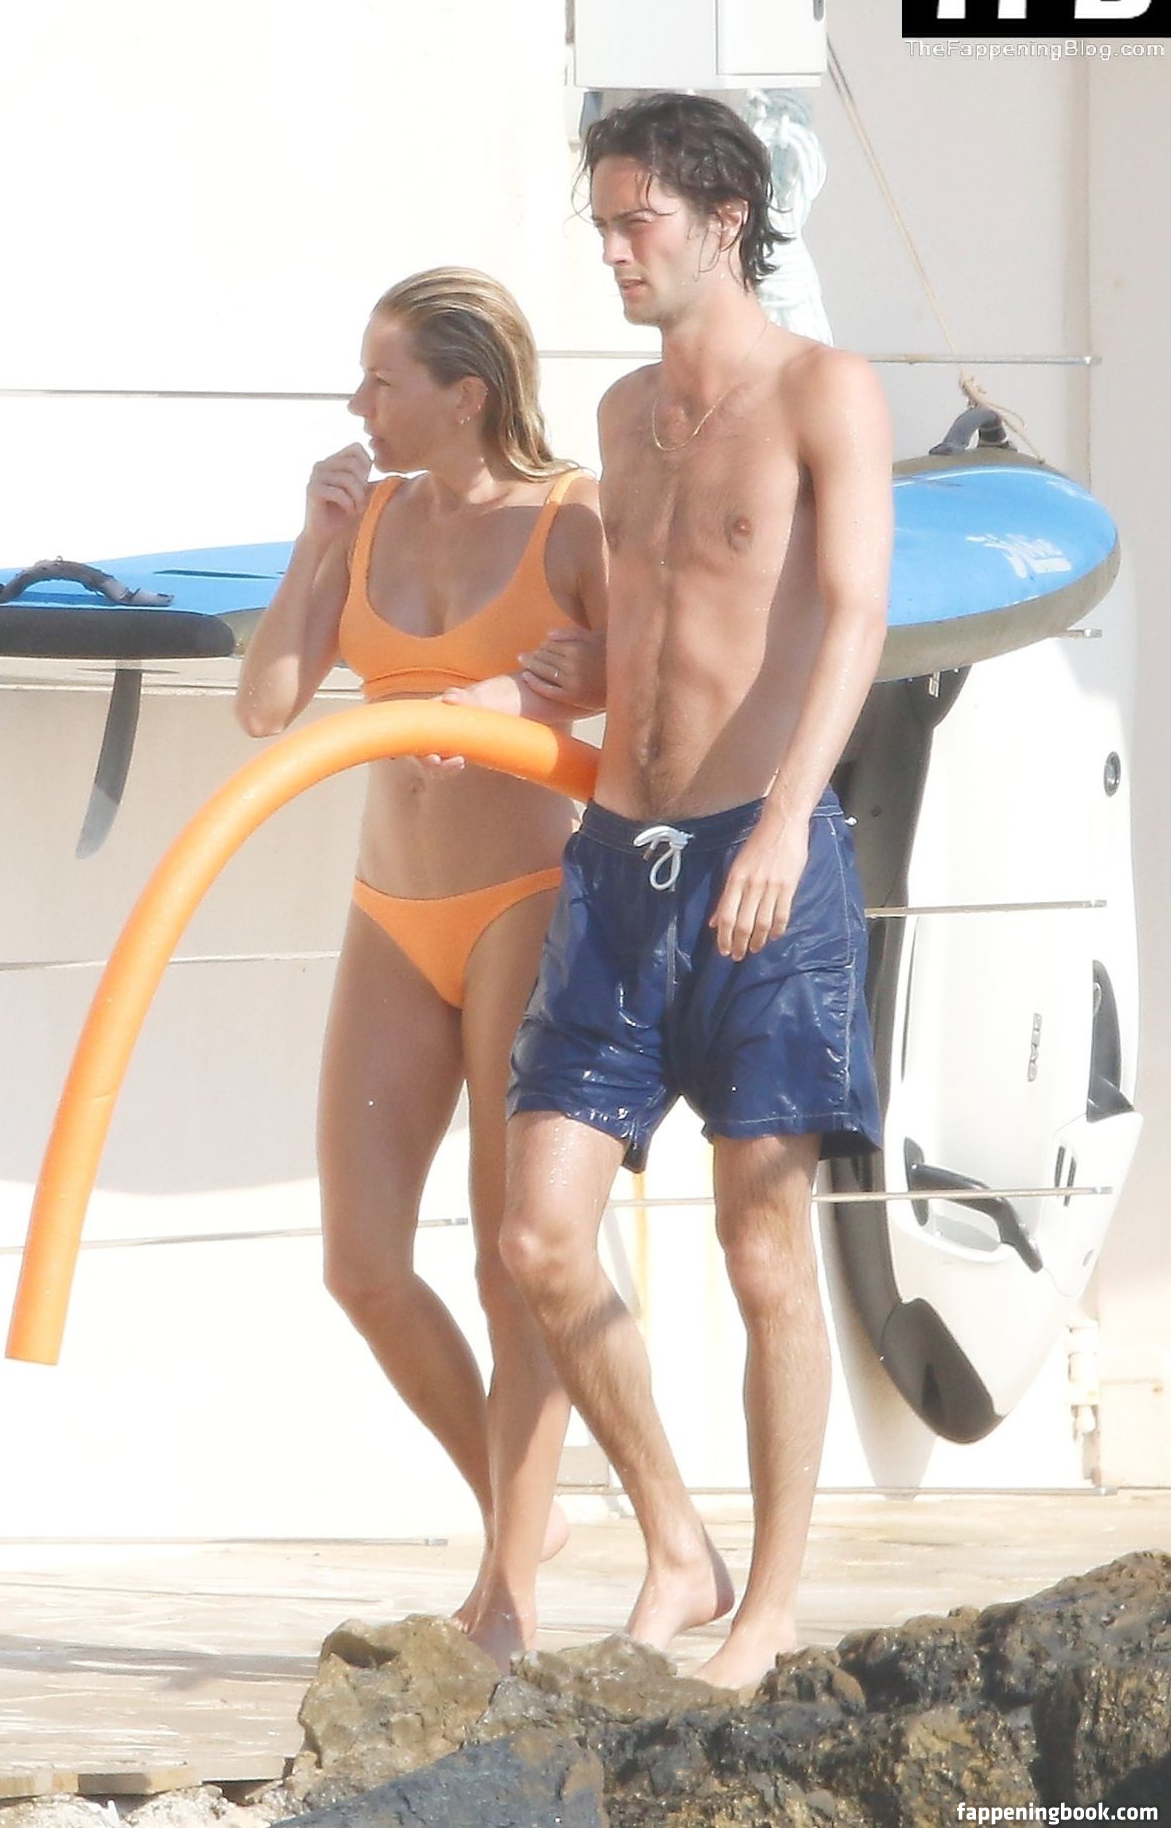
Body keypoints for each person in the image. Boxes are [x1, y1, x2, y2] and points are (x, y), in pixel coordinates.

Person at [500, 92, 892, 1690]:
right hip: (617, 864)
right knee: (539, 1234)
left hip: (764, 857)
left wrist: (791, 822)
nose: (612, 251)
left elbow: (854, 614)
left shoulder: (822, 389)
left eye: (636, 221)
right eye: (602, 224)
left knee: (760, 1247)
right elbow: (663, 618)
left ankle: (772, 1605)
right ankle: (678, 1542)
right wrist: (585, 667)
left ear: (725, 219)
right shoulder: (615, 416)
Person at [234, 268, 607, 1667]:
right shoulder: (374, 512)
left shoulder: (572, 517)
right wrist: (315, 544)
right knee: (363, 1264)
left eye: (381, 380)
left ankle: (507, 1595)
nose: (357, 403)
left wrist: (513, 696)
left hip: (527, 897)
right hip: (392, 908)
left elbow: (648, 675)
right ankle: (523, 1516)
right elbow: (266, 706)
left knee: (516, 1264)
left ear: (467, 394)